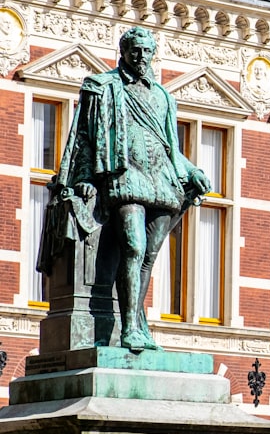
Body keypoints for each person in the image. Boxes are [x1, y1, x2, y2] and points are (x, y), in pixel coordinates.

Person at [41, 26, 211, 350]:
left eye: (147, 51)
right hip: (126, 177)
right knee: (133, 245)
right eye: (136, 50)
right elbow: (83, 139)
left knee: (148, 256)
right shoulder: (105, 87)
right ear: (124, 51)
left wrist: (194, 171)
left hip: (162, 180)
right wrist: (83, 180)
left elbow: (171, 148)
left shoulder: (163, 97)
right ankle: (129, 327)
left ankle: (139, 323)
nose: (141, 57)